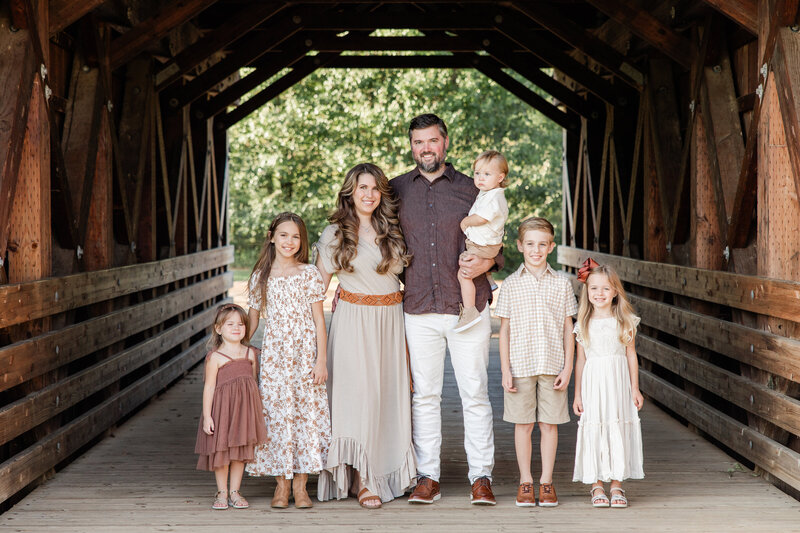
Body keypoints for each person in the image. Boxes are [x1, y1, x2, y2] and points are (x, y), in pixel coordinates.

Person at [391, 113, 501, 505]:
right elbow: (376, 240)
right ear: (411, 146)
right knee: (424, 396)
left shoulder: (475, 188)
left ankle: (481, 477)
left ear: (445, 143)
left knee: (474, 393)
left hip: (467, 308)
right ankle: (427, 476)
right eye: (418, 142)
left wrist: (488, 262)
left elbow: (497, 236)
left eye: (432, 141)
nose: (425, 149)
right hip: (418, 305)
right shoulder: (396, 190)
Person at [315, 163, 415, 509]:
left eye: (374, 188)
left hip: (391, 319)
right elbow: (315, 289)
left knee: (387, 397)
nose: (369, 194)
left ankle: (388, 474)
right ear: (350, 192)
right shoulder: (334, 234)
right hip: (353, 320)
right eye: (362, 188)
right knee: (358, 397)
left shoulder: (395, 230)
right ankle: (363, 479)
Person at [245, 212, 331, 510]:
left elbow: (320, 321)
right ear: (272, 237)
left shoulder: (308, 274)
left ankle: (301, 485)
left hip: (305, 355)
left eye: (295, 236)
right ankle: (281, 484)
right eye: (283, 235)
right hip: (276, 358)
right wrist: (234, 349)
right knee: (277, 415)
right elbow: (252, 322)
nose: (289, 241)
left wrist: (321, 361)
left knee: (304, 416)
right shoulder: (261, 276)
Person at [494, 217, 578, 508]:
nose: (536, 250)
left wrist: (568, 368)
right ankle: (526, 481)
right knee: (524, 425)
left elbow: (570, 329)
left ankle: (546, 481)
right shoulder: (511, 286)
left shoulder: (562, 285)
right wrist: (505, 370)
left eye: (542, 244)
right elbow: (503, 331)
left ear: (552, 247)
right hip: (520, 365)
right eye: (530, 244)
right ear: (520, 246)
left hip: (553, 365)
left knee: (549, 424)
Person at [572, 259, 644, 509]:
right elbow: (580, 360)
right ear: (587, 291)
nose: (599, 293)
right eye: (594, 288)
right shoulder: (582, 323)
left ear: (615, 292)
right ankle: (596, 484)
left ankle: (616, 484)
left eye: (605, 288)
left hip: (618, 382)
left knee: (617, 425)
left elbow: (631, 355)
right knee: (596, 426)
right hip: (593, 382)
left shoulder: (625, 320)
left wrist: (634, 388)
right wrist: (577, 394)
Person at [195, 303, 267, 510]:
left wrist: (255, 410)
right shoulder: (215, 357)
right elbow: (209, 387)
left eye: (241, 324)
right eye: (230, 324)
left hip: (243, 411)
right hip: (222, 411)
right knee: (222, 452)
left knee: (240, 451)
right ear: (218, 329)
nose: (236, 328)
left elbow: (253, 383)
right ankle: (222, 492)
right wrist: (208, 416)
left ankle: (235, 491)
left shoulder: (250, 354)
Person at [454, 150, 509, 332]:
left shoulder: (495, 196)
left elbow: (482, 218)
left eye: (487, 174)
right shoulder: (488, 193)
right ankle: (489, 278)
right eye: (477, 173)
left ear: (500, 177)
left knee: (464, 272)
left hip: (484, 246)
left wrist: (465, 222)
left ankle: (470, 312)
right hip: (484, 244)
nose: (480, 178)